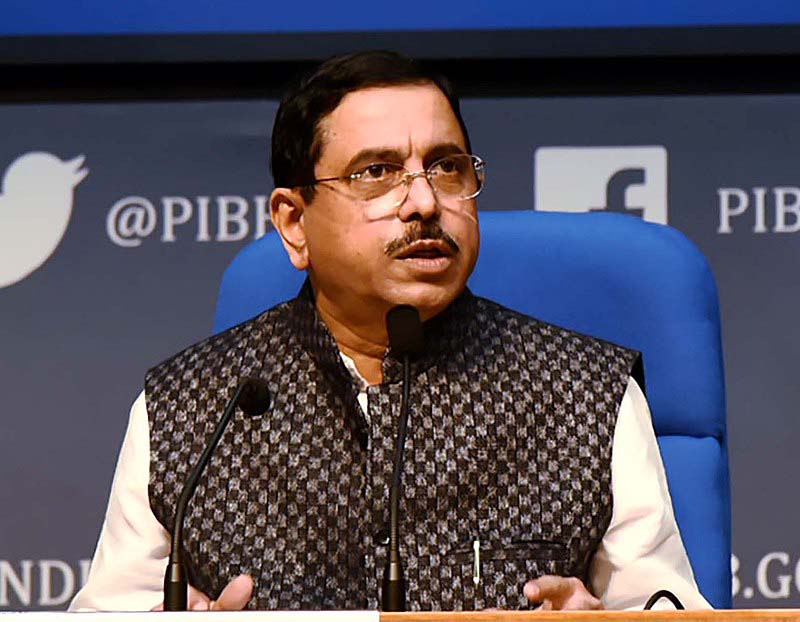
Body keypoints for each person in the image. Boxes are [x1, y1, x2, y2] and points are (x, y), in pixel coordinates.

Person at [70, 50, 710, 612]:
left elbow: (669, 608)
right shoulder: (193, 406)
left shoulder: (583, 392)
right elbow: (112, 612)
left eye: (447, 167)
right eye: (376, 172)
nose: (425, 202)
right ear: (294, 223)